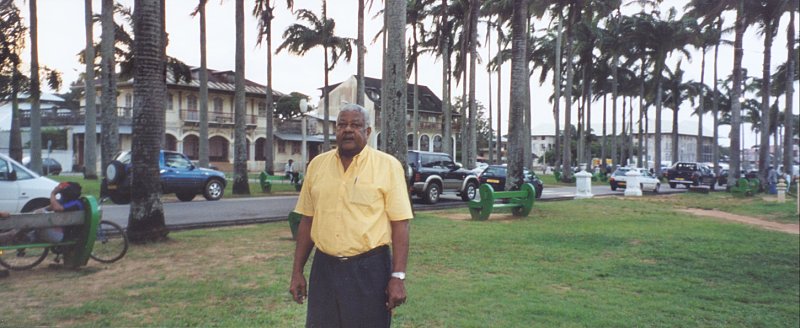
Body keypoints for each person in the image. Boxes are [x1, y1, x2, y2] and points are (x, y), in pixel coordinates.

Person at [289, 104, 413, 327]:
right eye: (342, 125)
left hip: (369, 270)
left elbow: (400, 224)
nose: (347, 130)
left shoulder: (388, 166)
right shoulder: (317, 166)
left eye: (355, 125)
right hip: (324, 269)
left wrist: (398, 277)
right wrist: (297, 272)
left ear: (367, 132)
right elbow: (307, 220)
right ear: (335, 130)